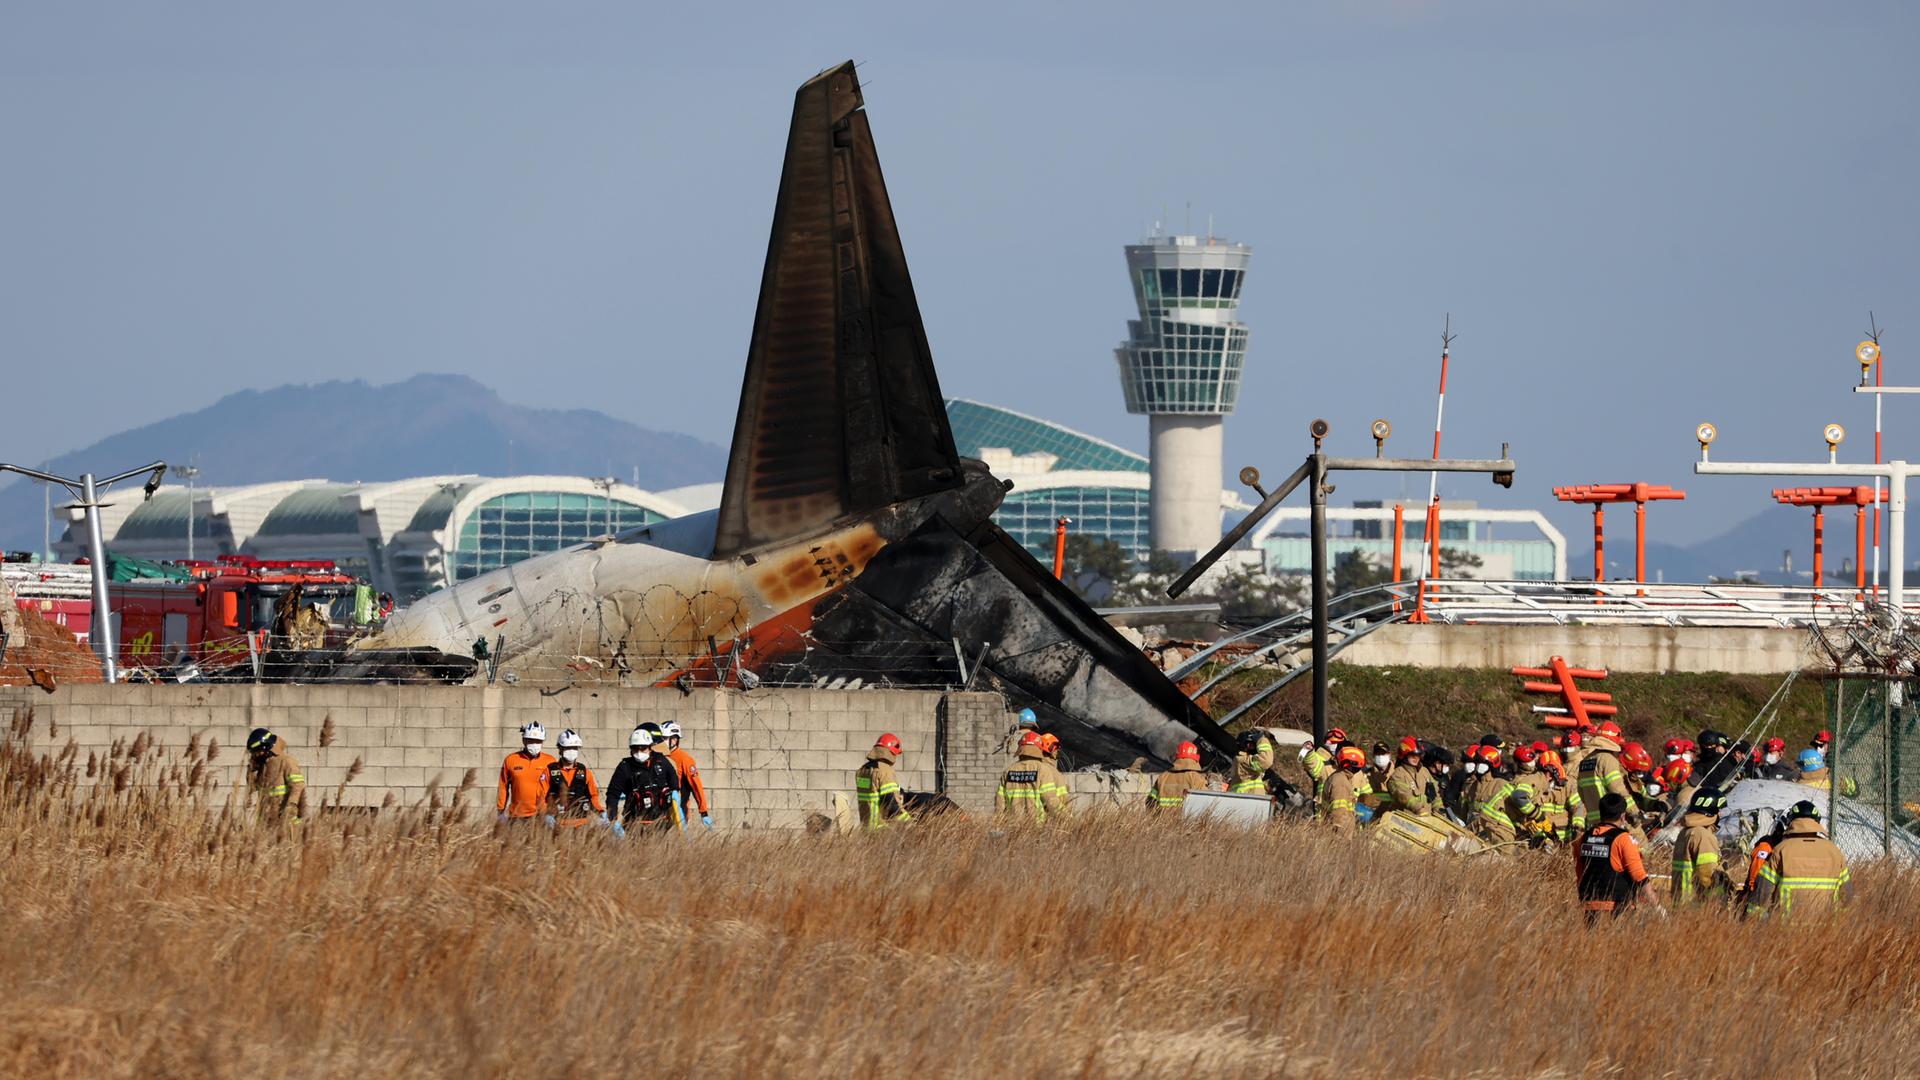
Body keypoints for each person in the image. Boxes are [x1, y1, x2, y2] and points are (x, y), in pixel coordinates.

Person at [1746, 800, 1852, 920]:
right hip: (1826, 931)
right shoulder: (1834, 852)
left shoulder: (1781, 850)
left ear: (1790, 821)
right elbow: (1847, 896)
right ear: (1817, 822)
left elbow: (1761, 893)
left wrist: (1752, 920)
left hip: (1785, 932)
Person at [1575, 793, 1661, 922]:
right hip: (1617, 907)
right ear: (1622, 816)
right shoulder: (1623, 839)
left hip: (1590, 906)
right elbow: (1639, 876)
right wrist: (1658, 907)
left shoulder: (1584, 838)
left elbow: (1580, 872)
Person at [607, 726, 683, 835]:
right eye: (635, 748)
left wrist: (675, 793)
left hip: (661, 825)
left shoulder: (661, 761)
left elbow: (674, 780)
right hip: (634, 825)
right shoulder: (625, 767)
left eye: (643, 748)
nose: (639, 752)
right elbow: (613, 794)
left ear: (650, 747)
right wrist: (612, 819)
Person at [1671, 787, 1730, 906]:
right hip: (1698, 906)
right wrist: (1720, 901)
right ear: (1710, 810)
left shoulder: (1686, 832)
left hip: (1681, 903)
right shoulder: (1701, 835)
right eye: (1718, 810)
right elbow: (1707, 875)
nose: (1720, 813)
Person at [999, 731, 1067, 824]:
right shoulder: (1042, 770)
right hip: (1036, 827)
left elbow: (1000, 804)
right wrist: (1068, 820)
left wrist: (998, 825)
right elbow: (1050, 800)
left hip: (1013, 827)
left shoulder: (1008, 771)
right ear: (1039, 748)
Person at [1576, 721, 1632, 832]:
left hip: (1594, 822)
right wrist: (1633, 811)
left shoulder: (1585, 761)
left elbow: (1581, 792)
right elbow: (1617, 789)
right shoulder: (1607, 759)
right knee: (1639, 842)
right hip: (1613, 819)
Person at [545, 729, 605, 829]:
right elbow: (542, 795)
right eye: (568, 748)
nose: (571, 751)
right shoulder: (549, 771)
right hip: (558, 824)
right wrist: (545, 814)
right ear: (560, 749)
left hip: (581, 824)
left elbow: (593, 796)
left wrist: (601, 812)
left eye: (575, 748)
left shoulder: (585, 772)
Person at [245, 727, 306, 825]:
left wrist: (291, 806)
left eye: (257, 751)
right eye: (253, 753)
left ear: (266, 747)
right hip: (266, 820)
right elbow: (252, 787)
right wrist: (251, 770)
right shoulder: (262, 765)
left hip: (285, 820)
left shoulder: (286, 761)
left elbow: (298, 785)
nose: (255, 755)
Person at [497, 722, 555, 824]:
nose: (534, 744)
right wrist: (500, 810)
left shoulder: (550, 761)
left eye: (538, 741)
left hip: (542, 816)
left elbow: (557, 788)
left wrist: (553, 812)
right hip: (516, 816)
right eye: (531, 740)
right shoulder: (511, 760)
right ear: (524, 740)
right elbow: (503, 787)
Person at [853, 732, 912, 831]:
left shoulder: (863, 770)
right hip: (881, 830)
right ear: (890, 752)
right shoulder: (884, 771)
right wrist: (909, 822)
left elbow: (873, 792)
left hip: (866, 828)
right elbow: (891, 803)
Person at [660, 721, 713, 828]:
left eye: (664, 738)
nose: (661, 742)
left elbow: (696, 786)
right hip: (660, 811)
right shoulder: (658, 756)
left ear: (674, 740)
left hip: (679, 812)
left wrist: (703, 812)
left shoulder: (685, 759)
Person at [1148, 741, 1208, 810]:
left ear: (1177, 756)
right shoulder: (1197, 777)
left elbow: (1150, 802)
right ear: (1195, 757)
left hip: (1164, 819)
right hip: (1188, 820)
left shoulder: (1163, 776)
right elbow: (1206, 803)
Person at [1321, 745, 1369, 831]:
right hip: (1340, 833)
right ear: (1351, 766)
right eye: (1358, 767)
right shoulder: (1341, 782)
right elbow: (1339, 812)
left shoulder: (1340, 777)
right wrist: (1341, 838)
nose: (1358, 770)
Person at [1384, 737, 1436, 816]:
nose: (1416, 758)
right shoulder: (1398, 775)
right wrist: (1419, 809)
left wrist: (1439, 809)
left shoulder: (1424, 771)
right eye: (1412, 755)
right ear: (1404, 755)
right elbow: (1404, 796)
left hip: (1427, 819)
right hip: (1406, 820)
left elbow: (1435, 793)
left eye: (1418, 755)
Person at [1301, 727, 1345, 803]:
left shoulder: (1347, 761)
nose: (1332, 745)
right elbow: (1313, 765)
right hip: (1325, 808)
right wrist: (1309, 752)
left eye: (1335, 743)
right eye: (1331, 742)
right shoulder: (1321, 758)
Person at [1232, 729, 1274, 796]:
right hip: (1249, 801)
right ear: (1249, 745)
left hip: (1248, 799)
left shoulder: (1241, 760)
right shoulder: (1242, 760)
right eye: (1255, 745)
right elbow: (1266, 761)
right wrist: (1262, 740)